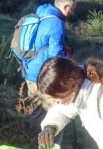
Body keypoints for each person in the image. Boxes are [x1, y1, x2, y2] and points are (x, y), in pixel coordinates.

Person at [23, 0, 76, 130]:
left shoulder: (41, 14)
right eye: (72, 9)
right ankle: (49, 143)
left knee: (35, 109)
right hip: (44, 74)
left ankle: (30, 139)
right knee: (54, 112)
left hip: (29, 69)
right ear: (65, 6)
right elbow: (56, 56)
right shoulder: (57, 23)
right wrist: (67, 57)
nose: (72, 13)